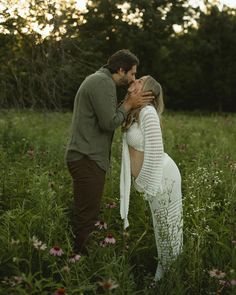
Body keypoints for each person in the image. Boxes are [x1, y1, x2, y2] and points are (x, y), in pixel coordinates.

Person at [65, 49, 154, 254]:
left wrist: (128, 106)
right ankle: (79, 260)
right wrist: (130, 104)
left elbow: (109, 114)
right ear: (121, 70)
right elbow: (109, 122)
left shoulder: (101, 81)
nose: (133, 78)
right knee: (87, 216)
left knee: (85, 211)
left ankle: (78, 253)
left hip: (87, 156)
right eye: (132, 73)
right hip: (87, 157)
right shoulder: (102, 82)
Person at [120, 75, 183, 281]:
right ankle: (166, 273)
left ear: (148, 92)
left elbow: (156, 151)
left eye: (140, 81)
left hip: (162, 176)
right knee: (161, 226)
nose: (135, 81)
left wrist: (146, 184)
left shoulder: (147, 112)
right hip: (156, 177)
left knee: (168, 228)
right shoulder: (135, 111)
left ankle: (167, 276)